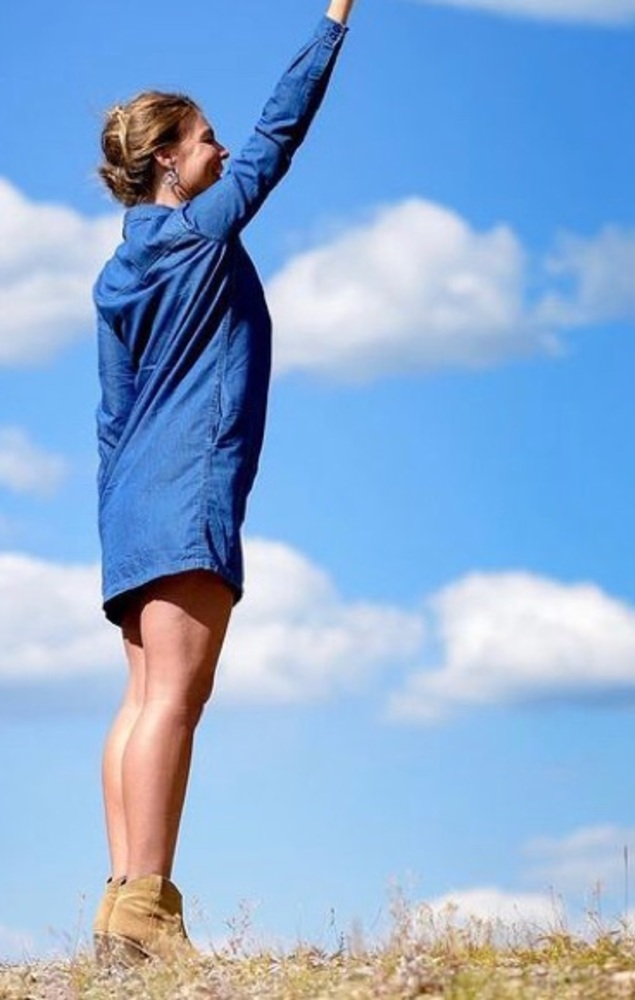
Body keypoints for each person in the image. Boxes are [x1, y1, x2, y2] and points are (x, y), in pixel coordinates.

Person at [91, 0, 355, 962]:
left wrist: (112, 526)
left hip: (129, 508)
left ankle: (124, 902)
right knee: (177, 701)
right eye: (205, 139)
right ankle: (149, 907)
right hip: (188, 491)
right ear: (168, 159)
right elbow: (279, 136)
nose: (222, 148)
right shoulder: (201, 237)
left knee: (139, 699)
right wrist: (331, 25)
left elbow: (111, 417)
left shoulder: (116, 276)